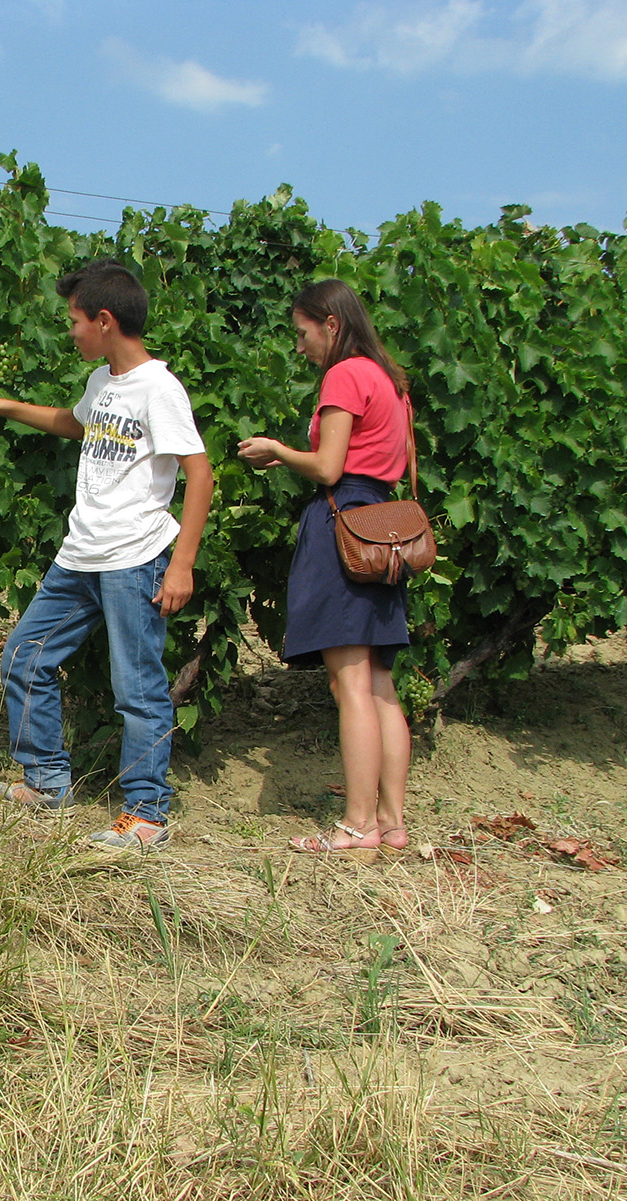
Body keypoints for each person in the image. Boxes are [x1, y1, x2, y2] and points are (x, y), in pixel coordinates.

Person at [0, 259, 213, 851]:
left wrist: (181, 563)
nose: (69, 331)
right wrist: (4, 406)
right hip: (82, 554)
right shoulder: (103, 383)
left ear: (103, 320)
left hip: (135, 556)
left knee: (137, 687)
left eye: (73, 320)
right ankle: (46, 783)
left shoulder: (159, 388)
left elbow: (201, 474)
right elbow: (75, 423)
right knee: (25, 655)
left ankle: (146, 816)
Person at [237, 278, 412, 853]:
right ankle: (390, 823)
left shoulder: (345, 374)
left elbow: (330, 467)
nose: (300, 345)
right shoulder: (390, 380)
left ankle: (356, 824)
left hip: (345, 525)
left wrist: (278, 451)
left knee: (351, 683)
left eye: (303, 332)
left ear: (330, 325)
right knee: (381, 682)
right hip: (384, 529)